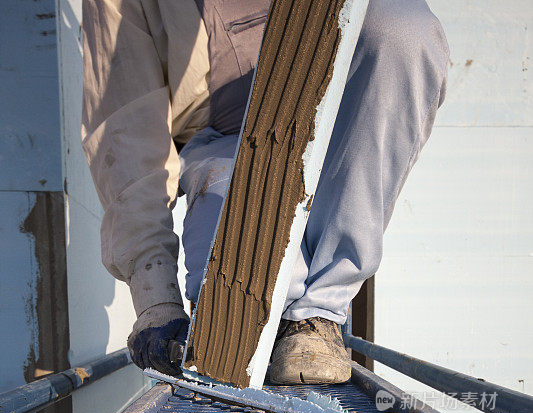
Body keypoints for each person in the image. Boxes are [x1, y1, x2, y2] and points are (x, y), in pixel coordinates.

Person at [82, 0, 449, 384]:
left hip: (342, 131)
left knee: (404, 26)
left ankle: (317, 314)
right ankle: (266, 325)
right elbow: (124, 129)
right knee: (230, 307)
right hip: (227, 141)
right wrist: (154, 294)